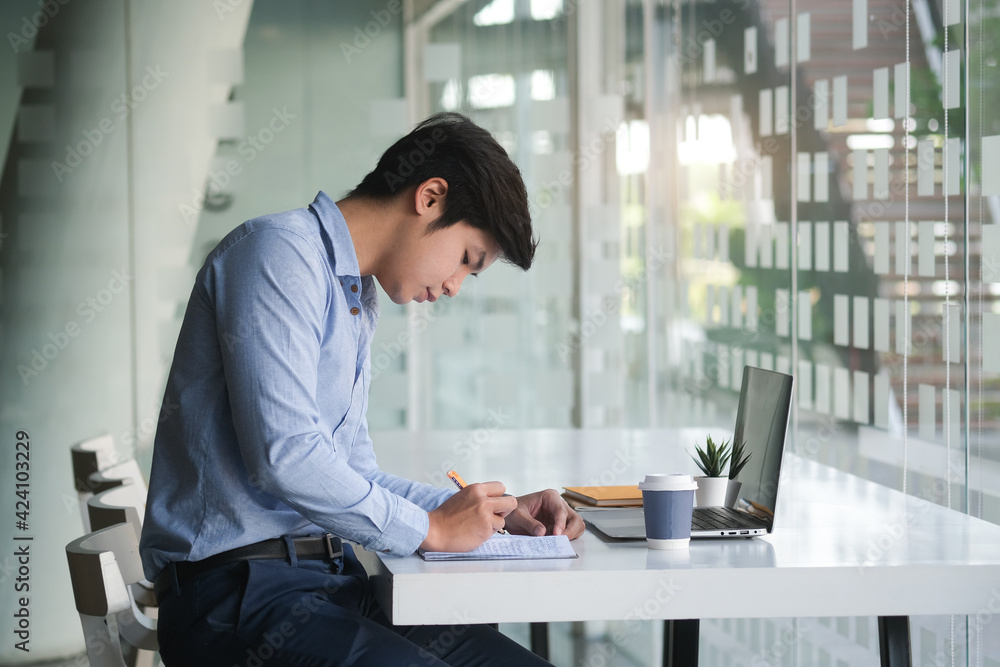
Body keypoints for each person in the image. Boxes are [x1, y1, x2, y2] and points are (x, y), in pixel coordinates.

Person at [139, 112, 585, 666]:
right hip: (238, 599)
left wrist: (493, 511)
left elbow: (354, 471)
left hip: (324, 585)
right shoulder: (277, 254)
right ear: (430, 196)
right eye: (467, 260)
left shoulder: (355, 296)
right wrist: (430, 530)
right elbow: (285, 458)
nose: (453, 287)